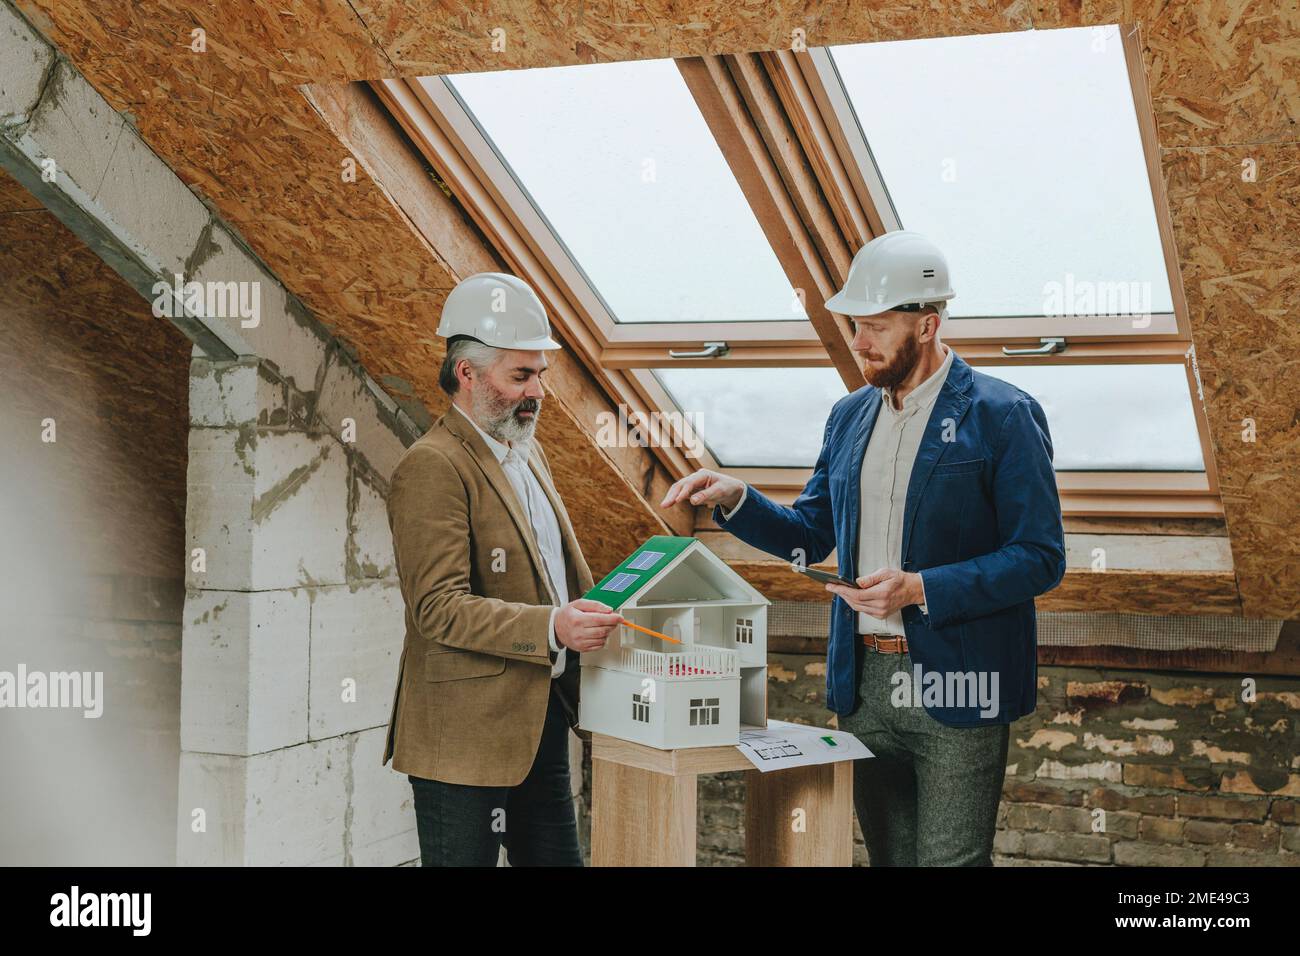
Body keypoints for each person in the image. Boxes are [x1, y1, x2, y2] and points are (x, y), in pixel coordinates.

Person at [661, 231, 1065, 865]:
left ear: (927, 325)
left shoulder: (1004, 415)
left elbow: (1040, 556)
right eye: (854, 325)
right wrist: (737, 498)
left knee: (950, 864)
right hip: (865, 683)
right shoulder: (848, 416)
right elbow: (810, 533)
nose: (857, 342)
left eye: (874, 327)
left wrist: (920, 587)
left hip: (962, 681)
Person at [383, 272, 622, 866]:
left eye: (540, 373)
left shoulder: (527, 448)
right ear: (467, 373)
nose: (537, 390)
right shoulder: (432, 466)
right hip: (461, 743)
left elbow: (557, 574)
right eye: (520, 375)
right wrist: (552, 628)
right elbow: (438, 608)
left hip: (539, 720)